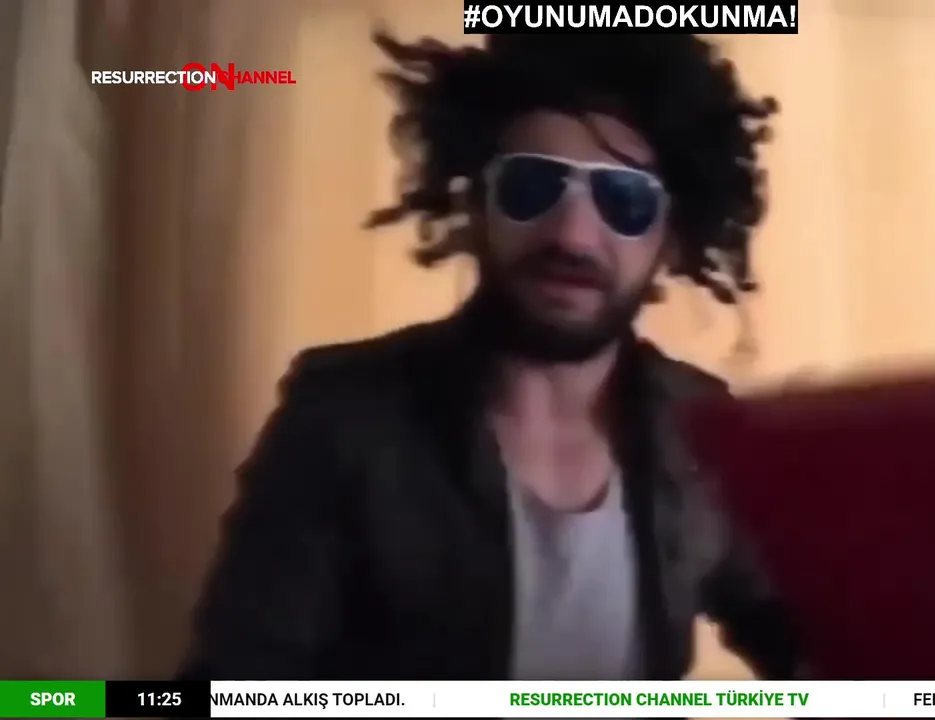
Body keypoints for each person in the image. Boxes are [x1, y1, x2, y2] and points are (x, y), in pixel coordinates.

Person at [179, 33, 801, 681]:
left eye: (625, 200)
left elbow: (806, 646)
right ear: (476, 205)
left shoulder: (701, 431)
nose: (572, 235)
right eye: (532, 186)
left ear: (670, 239)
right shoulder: (345, 419)